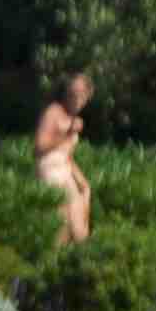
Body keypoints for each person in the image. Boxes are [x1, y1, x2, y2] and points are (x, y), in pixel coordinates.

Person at [34, 67, 96, 249]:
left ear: (87, 97)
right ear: (66, 92)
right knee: (61, 228)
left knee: (80, 231)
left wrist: (84, 182)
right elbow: (39, 147)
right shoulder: (54, 112)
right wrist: (68, 133)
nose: (76, 99)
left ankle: (79, 265)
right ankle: (53, 265)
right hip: (50, 172)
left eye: (81, 95)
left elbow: (67, 156)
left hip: (65, 172)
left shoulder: (74, 118)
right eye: (72, 94)